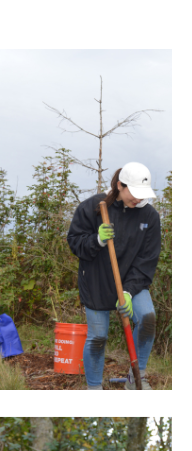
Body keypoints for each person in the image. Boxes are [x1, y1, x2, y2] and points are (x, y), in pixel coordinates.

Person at [66, 163, 162, 390]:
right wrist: (96, 240)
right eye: (134, 193)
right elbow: (75, 242)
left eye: (142, 195)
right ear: (120, 185)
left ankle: (136, 378)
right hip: (96, 280)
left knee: (147, 318)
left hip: (132, 281)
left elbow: (147, 260)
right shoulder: (94, 208)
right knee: (98, 337)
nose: (138, 199)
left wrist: (128, 292)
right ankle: (94, 388)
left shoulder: (150, 216)